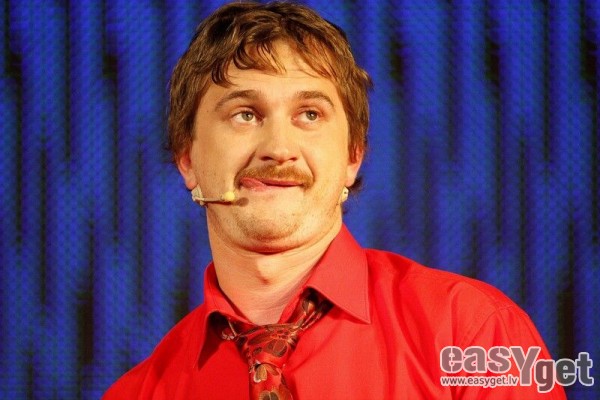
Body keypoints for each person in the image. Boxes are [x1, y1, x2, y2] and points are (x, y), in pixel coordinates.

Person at [103, 2, 567, 399]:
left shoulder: (474, 335)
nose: (278, 148)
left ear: (352, 157)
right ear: (187, 159)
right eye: (245, 114)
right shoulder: (138, 392)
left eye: (309, 114)